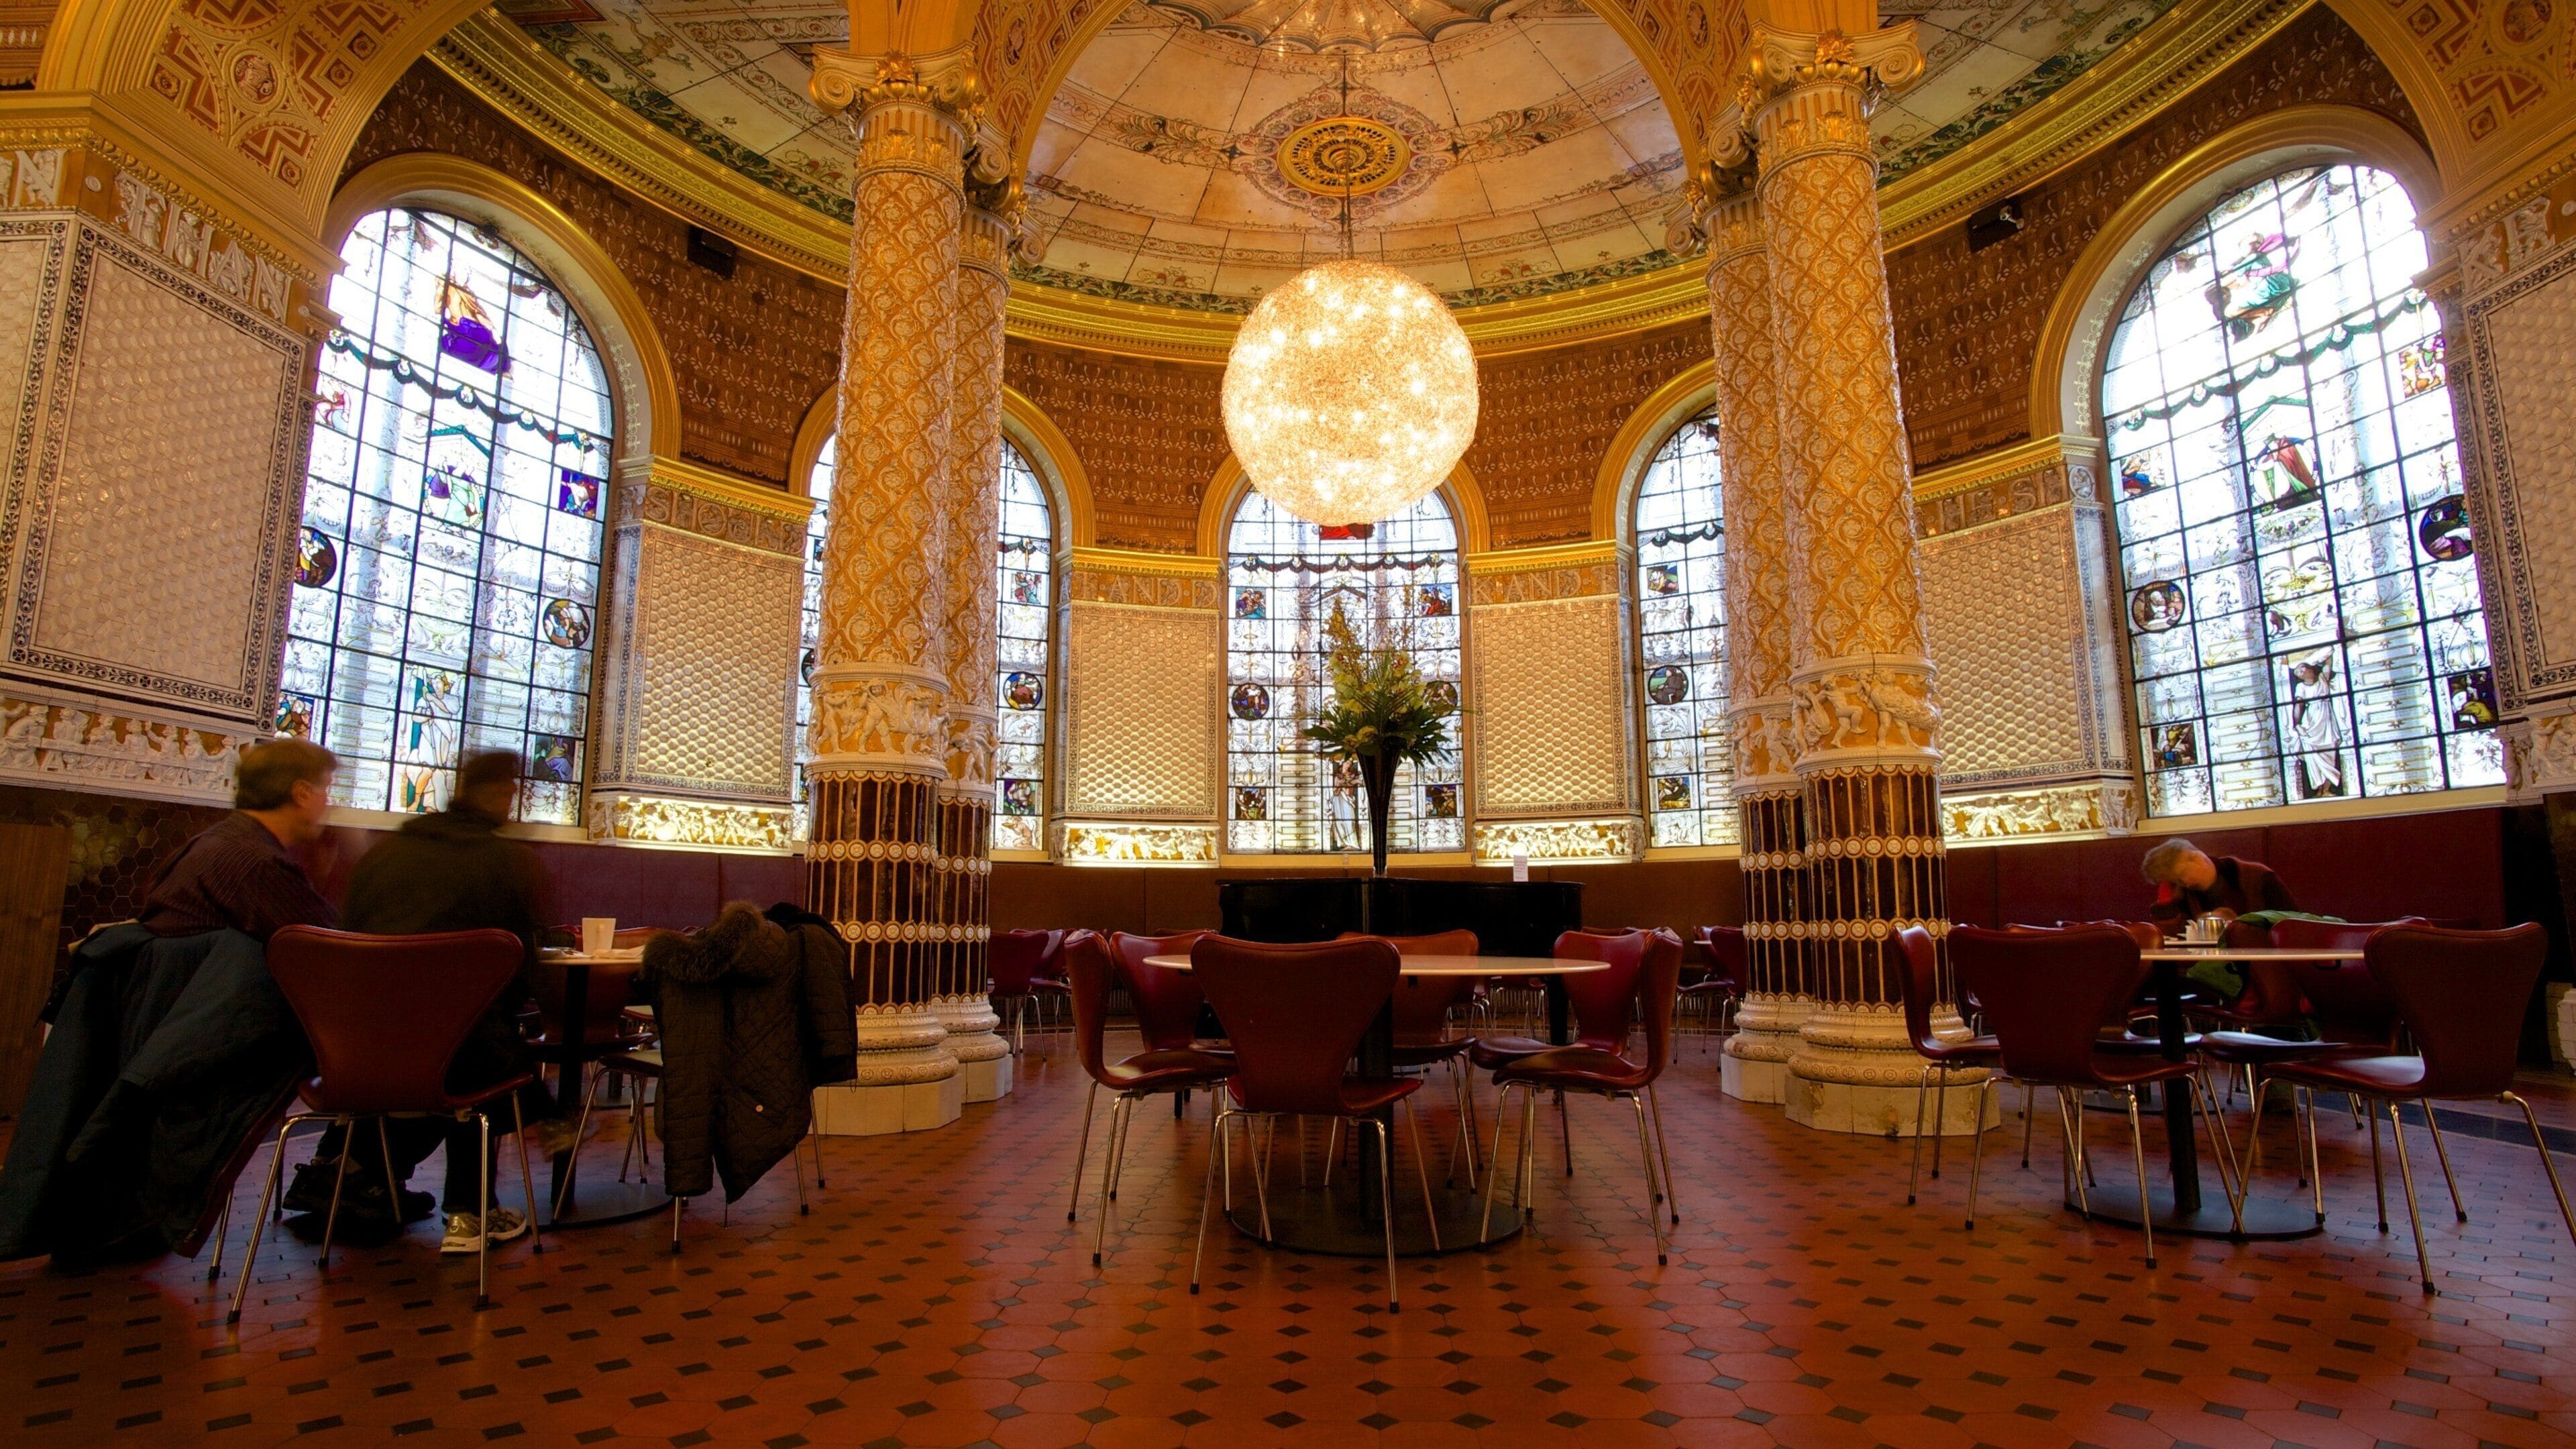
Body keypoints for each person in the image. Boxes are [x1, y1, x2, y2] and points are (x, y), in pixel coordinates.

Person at [288, 751, 570, 1254]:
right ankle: (471, 1210)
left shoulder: (385, 856)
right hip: (461, 1060)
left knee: (459, 1036)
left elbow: (349, 942)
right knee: (475, 1042)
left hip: (356, 1058)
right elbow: (523, 971)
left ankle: (368, 1176)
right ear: (501, 795)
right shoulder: (507, 864)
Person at [138, 738, 339, 939]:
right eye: (326, 790)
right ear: (302, 794)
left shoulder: (220, 840)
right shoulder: (259, 863)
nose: (329, 803)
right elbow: (329, 945)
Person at [2141, 837, 2298, 932]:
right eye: (2176, 881)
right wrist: (2165, 901)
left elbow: (2293, 922)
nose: (2185, 883)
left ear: (2197, 858)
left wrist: (2239, 924)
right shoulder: (2183, 892)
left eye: (2182, 875)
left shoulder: (2256, 876)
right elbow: (2172, 936)